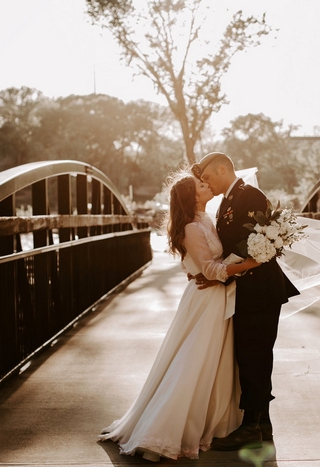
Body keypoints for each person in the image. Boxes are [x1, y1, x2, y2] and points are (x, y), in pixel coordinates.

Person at [98, 173, 261, 461]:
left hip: (215, 297)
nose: (207, 186)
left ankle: (211, 417)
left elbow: (209, 263)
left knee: (213, 361)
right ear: (192, 196)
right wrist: (249, 263)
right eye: (201, 185)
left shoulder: (204, 219)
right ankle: (168, 427)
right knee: (195, 360)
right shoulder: (191, 227)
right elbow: (210, 271)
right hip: (205, 301)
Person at [191, 152, 300, 451]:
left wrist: (219, 273)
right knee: (250, 355)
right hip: (246, 290)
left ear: (223, 169)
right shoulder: (227, 200)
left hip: (261, 290)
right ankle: (261, 422)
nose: (205, 184)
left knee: (255, 356)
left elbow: (250, 246)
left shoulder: (249, 195)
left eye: (207, 178)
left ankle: (252, 426)